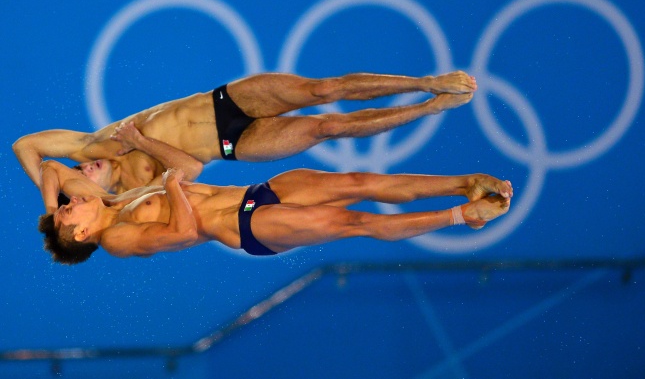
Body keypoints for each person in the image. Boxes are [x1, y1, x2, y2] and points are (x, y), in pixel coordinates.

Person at [14, 71, 477, 193]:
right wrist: (140, 143)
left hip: (226, 101)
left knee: (322, 89)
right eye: (82, 176)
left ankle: (425, 82)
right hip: (235, 144)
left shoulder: (92, 143)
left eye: (77, 168)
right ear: (93, 192)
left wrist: (50, 198)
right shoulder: (134, 191)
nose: (84, 167)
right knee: (328, 127)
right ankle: (431, 107)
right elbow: (190, 169)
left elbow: (25, 144)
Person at [37, 160, 513, 265]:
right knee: (359, 222)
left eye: (66, 203)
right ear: (80, 235)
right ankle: (462, 216)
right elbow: (182, 232)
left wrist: (148, 149)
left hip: (257, 191)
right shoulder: (115, 238)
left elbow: (47, 165)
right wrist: (172, 186)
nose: (70, 202)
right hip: (248, 226)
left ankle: (464, 182)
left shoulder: (117, 201)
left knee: (358, 181)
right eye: (66, 213)